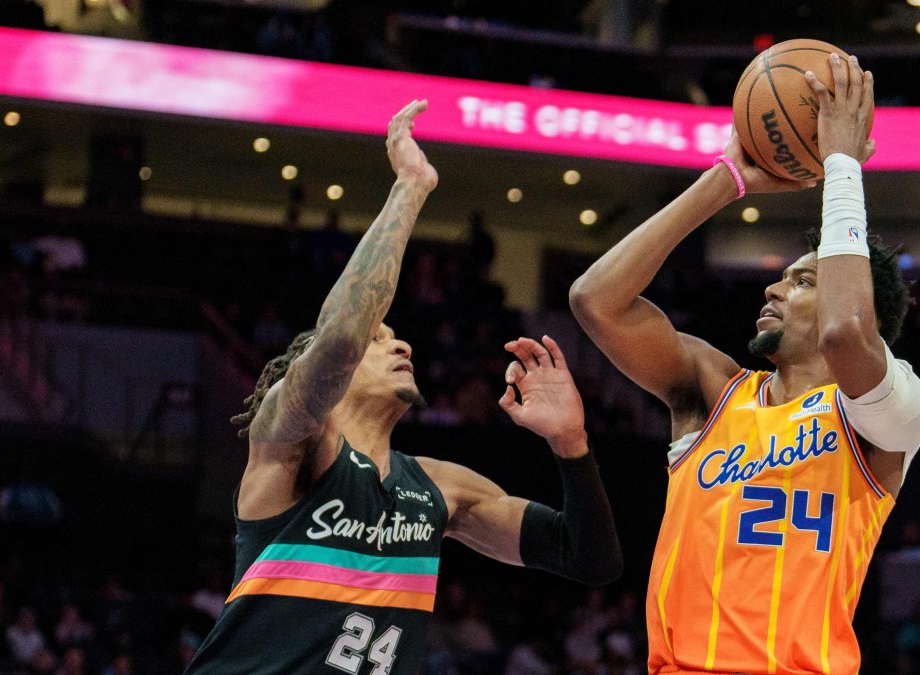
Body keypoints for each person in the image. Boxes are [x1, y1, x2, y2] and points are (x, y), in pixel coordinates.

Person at [185, 100, 621, 674]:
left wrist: (571, 444)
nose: (402, 345)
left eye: (394, 337)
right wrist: (411, 187)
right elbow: (340, 336)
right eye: (379, 339)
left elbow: (590, 560)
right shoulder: (289, 440)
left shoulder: (442, 487)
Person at [570, 55, 920, 673]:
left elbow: (847, 333)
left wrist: (842, 164)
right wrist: (726, 179)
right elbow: (595, 301)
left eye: (802, 281)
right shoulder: (714, 392)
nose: (772, 290)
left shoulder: (891, 413)